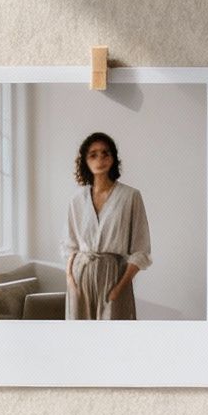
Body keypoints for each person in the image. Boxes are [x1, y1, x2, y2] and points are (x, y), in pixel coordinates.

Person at [61, 132, 151, 320]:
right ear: (84, 161)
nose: (100, 159)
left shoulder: (130, 196)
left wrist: (119, 289)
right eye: (93, 154)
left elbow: (141, 249)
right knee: (81, 341)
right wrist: (71, 281)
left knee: (114, 340)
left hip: (114, 278)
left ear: (113, 158)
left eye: (105, 153)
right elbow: (70, 246)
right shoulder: (77, 200)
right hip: (80, 278)